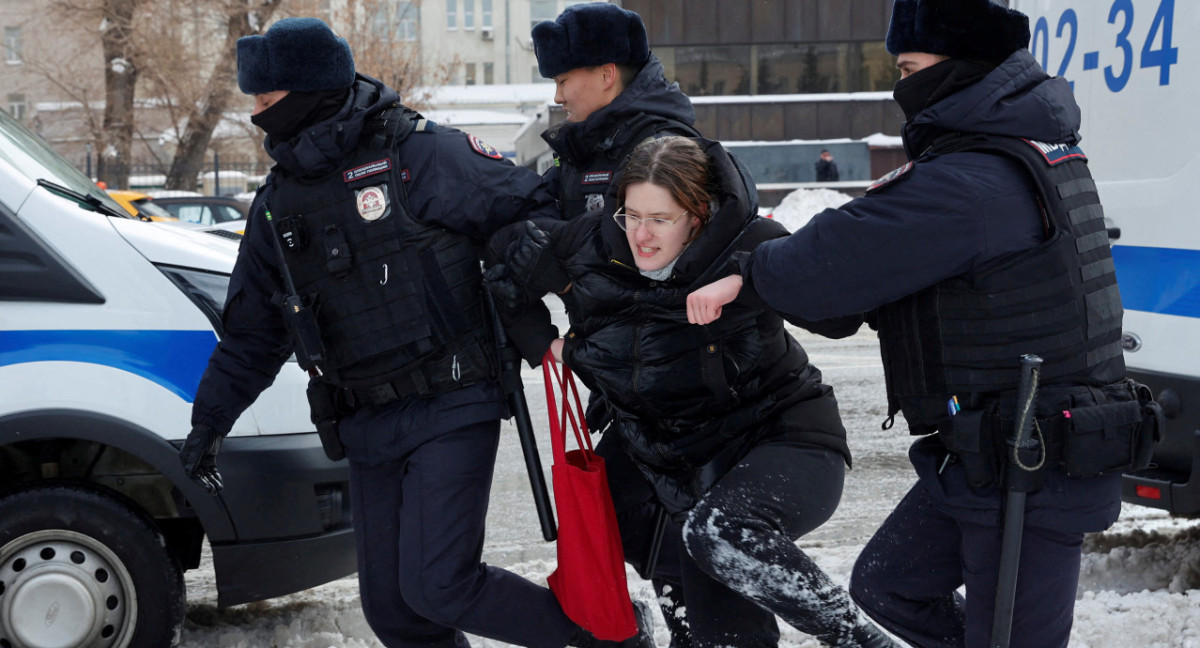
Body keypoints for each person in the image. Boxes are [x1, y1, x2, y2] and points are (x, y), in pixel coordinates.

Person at [686, 1, 1158, 647]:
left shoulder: (975, 178)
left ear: (961, 65)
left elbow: (843, 252)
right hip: (988, 454)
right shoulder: (1013, 151)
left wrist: (748, 272)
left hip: (1035, 465)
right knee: (889, 583)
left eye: (910, 67)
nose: (900, 86)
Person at [175, 17, 654, 648]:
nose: (260, 117)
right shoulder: (277, 204)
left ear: (312, 92)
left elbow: (535, 217)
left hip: (453, 399)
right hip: (366, 418)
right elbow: (252, 332)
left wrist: (519, 290)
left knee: (439, 584)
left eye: (268, 102)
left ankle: (606, 639)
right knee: (393, 609)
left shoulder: (419, 155)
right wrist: (210, 421)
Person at [488, 136, 900, 648]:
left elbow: (840, 316)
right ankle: (666, 621)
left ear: (699, 214)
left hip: (781, 439)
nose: (641, 234)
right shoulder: (590, 245)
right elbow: (505, 261)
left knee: (718, 533)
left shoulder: (751, 243)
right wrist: (548, 345)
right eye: (631, 215)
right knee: (662, 564)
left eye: (660, 219)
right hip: (667, 460)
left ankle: (856, 637)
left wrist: (748, 279)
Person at [520, 4, 706, 645]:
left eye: (564, 78)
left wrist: (562, 253)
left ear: (605, 75)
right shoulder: (584, 151)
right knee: (630, 518)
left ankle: (711, 629)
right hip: (621, 378)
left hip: (679, 378)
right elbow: (529, 230)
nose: (556, 93)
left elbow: (653, 257)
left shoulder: (666, 148)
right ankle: (685, 626)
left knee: (664, 522)